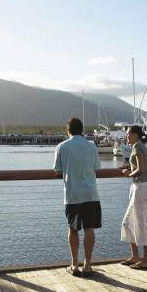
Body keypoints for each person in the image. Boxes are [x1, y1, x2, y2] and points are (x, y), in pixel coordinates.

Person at [54, 117, 101, 277]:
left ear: (68, 131)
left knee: (73, 229)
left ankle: (74, 265)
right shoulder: (91, 146)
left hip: (72, 194)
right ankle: (87, 265)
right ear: (82, 130)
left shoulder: (61, 147)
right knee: (89, 229)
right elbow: (96, 167)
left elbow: (57, 169)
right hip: (90, 193)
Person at [119, 125, 147, 270]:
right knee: (128, 222)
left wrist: (129, 174)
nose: (126, 137)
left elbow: (141, 169)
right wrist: (129, 167)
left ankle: (146, 260)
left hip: (141, 188)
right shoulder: (141, 146)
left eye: (128, 134)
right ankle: (135, 256)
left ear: (135, 135)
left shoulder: (137, 147)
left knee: (142, 224)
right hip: (141, 188)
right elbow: (140, 166)